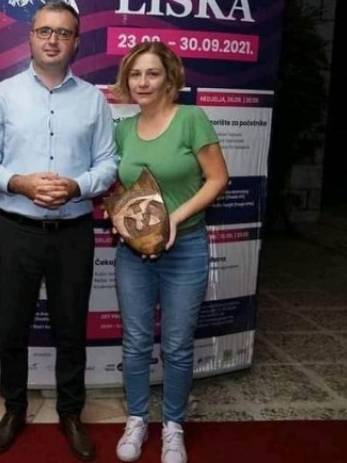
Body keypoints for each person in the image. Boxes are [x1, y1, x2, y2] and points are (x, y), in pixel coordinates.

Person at [0, 0, 117, 462]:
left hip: (73, 231)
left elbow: (108, 164)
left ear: (76, 42)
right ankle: (14, 409)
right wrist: (20, 182)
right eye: (44, 31)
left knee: (71, 328)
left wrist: (77, 186)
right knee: (12, 326)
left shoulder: (94, 100)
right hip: (15, 229)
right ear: (30, 37)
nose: (53, 40)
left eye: (63, 32)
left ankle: (70, 414)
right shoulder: (2, 95)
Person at [108, 42, 228, 463]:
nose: (142, 82)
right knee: (136, 342)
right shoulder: (123, 129)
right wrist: (122, 216)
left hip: (186, 247)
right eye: (135, 74)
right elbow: (124, 187)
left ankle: (173, 426)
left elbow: (218, 179)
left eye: (152, 73)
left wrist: (173, 219)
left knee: (177, 345)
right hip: (134, 253)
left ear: (169, 78)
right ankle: (137, 418)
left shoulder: (191, 119)